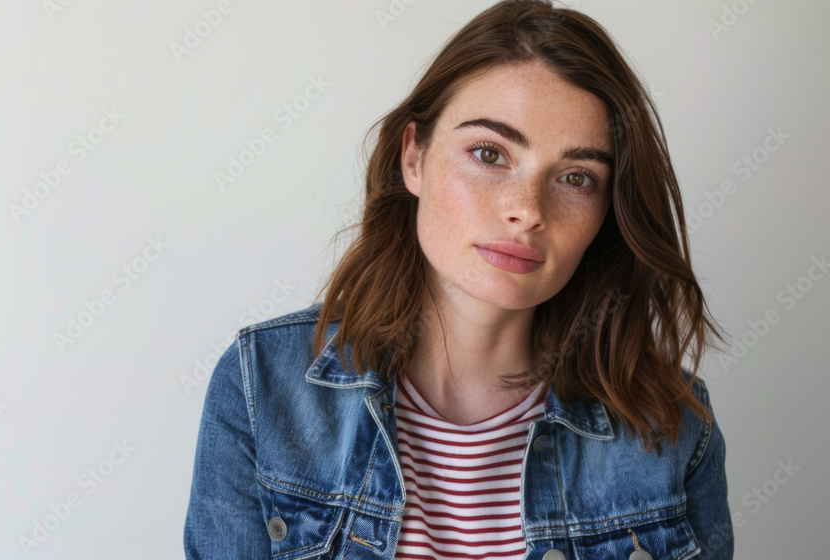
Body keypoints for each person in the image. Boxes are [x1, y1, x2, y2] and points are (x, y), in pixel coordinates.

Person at [185, 0, 734, 558]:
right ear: (414, 157)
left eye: (575, 177)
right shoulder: (264, 387)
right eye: (489, 152)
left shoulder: (672, 427)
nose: (526, 210)